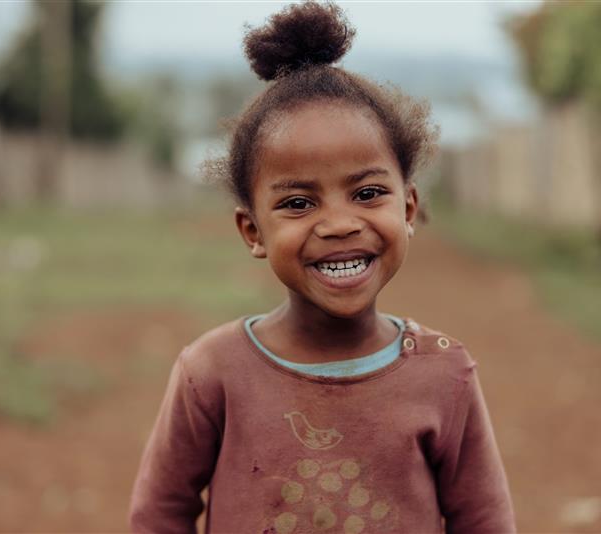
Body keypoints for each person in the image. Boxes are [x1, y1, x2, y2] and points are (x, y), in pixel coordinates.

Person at [129, 2, 516, 532]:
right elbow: (160, 513)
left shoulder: (444, 374)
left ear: (407, 209)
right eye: (297, 203)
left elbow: (484, 519)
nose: (338, 224)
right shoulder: (211, 374)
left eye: (368, 192)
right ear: (253, 231)